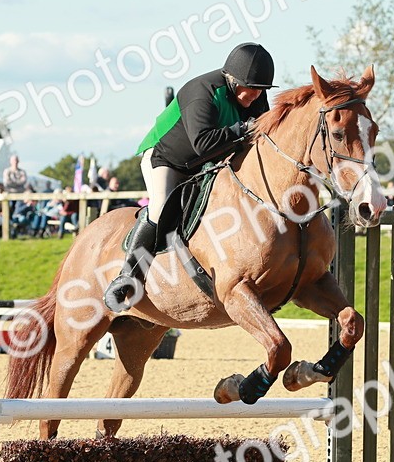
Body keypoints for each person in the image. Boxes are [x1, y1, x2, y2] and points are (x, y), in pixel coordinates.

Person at [103, 42, 275, 311]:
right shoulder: (203, 91)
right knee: (160, 208)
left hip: (205, 163)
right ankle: (128, 276)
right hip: (166, 158)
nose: (255, 95)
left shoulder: (255, 95)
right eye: (249, 87)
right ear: (232, 80)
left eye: (260, 90)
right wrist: (242, 128)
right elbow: (203, 144)